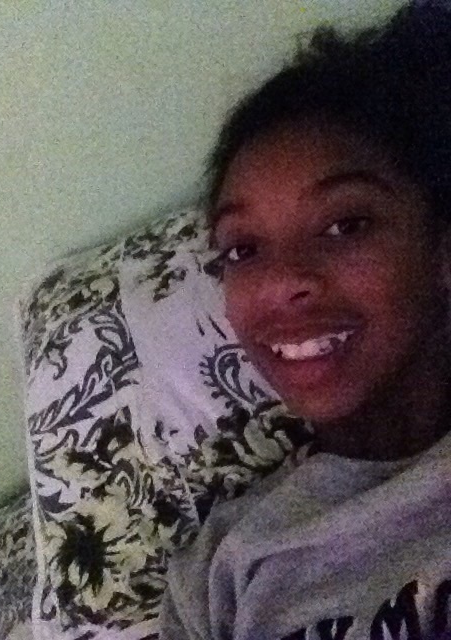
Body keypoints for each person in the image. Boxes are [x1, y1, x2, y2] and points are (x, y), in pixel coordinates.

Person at [158, 1, 451, 638]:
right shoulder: (216, 571)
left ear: (442, 249)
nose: (282, 281)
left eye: (345, 225)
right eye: (243, 249)